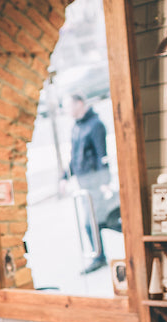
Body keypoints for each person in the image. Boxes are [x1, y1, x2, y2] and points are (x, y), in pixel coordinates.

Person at [67, 94, 110, 274]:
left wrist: (105, 182)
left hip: (95, 182)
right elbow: (74, 155)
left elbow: (102, 155)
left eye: (69, 105)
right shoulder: (76, 127)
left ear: (79, 103)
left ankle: (99, 257)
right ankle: (99, 256)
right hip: (83, 183)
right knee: (96, 221)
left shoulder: (95, 125)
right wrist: (65, 176)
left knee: (92, 222)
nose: (67, 110)